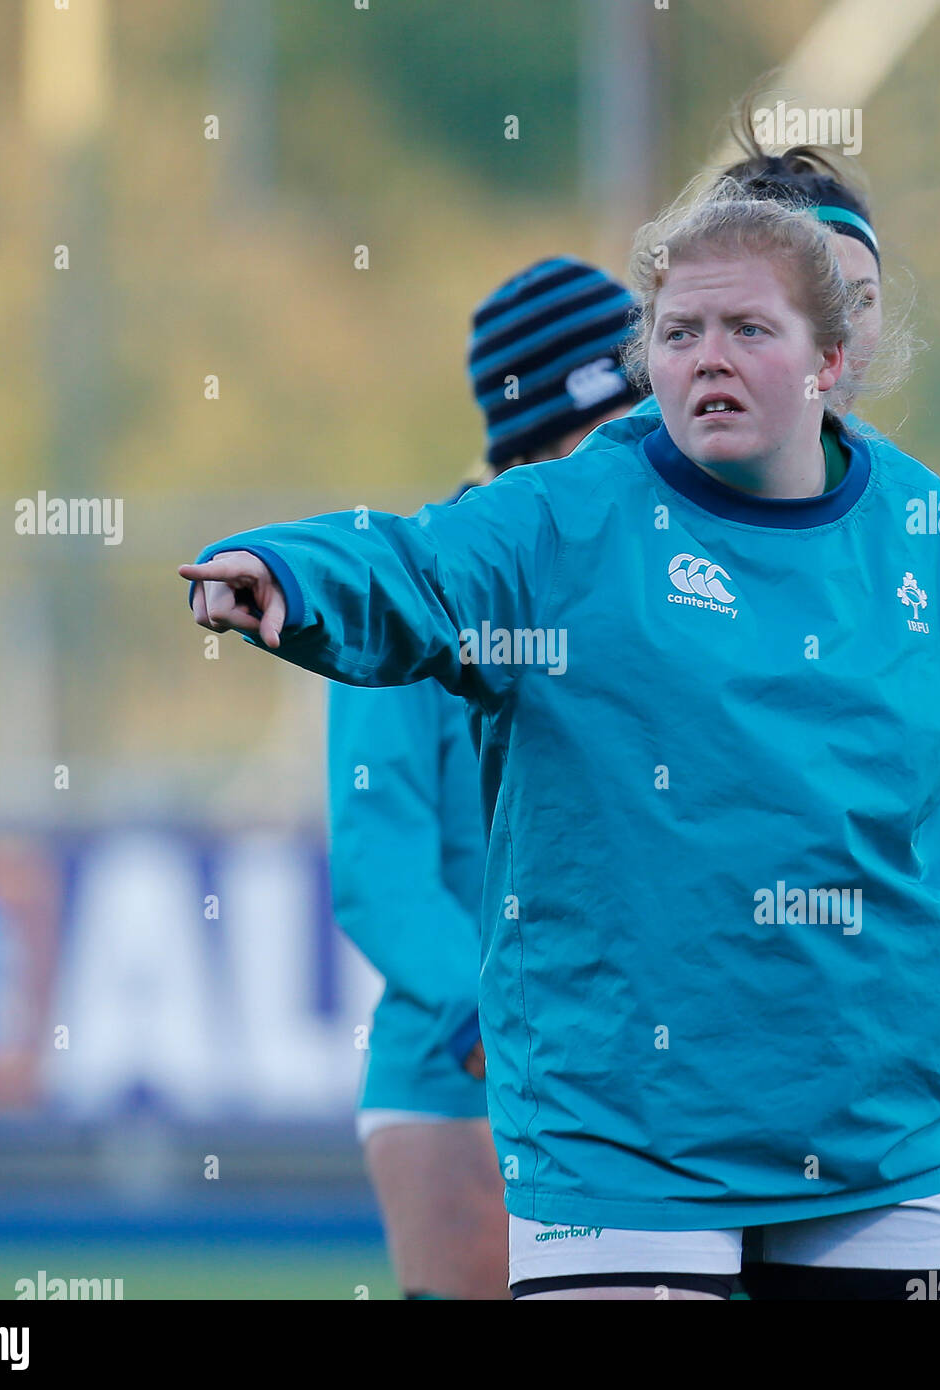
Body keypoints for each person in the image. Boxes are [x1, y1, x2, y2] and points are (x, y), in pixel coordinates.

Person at [180, 178, 940, 1300]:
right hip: (615, 1133)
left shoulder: (926, 528)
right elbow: (407, 565)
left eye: (748, 329)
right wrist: (290, 574)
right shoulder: (559, 517)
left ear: (830, 358)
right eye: (679, 332)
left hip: (883, 1134)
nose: (708, 358)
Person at [326, 258, 643, 1300]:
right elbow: (380, 865)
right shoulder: (425, 582)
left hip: (630, 1077)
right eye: (626, 410)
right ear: (548, 437)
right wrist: (493, 1029)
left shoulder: (654, 576)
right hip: (462, 1077)